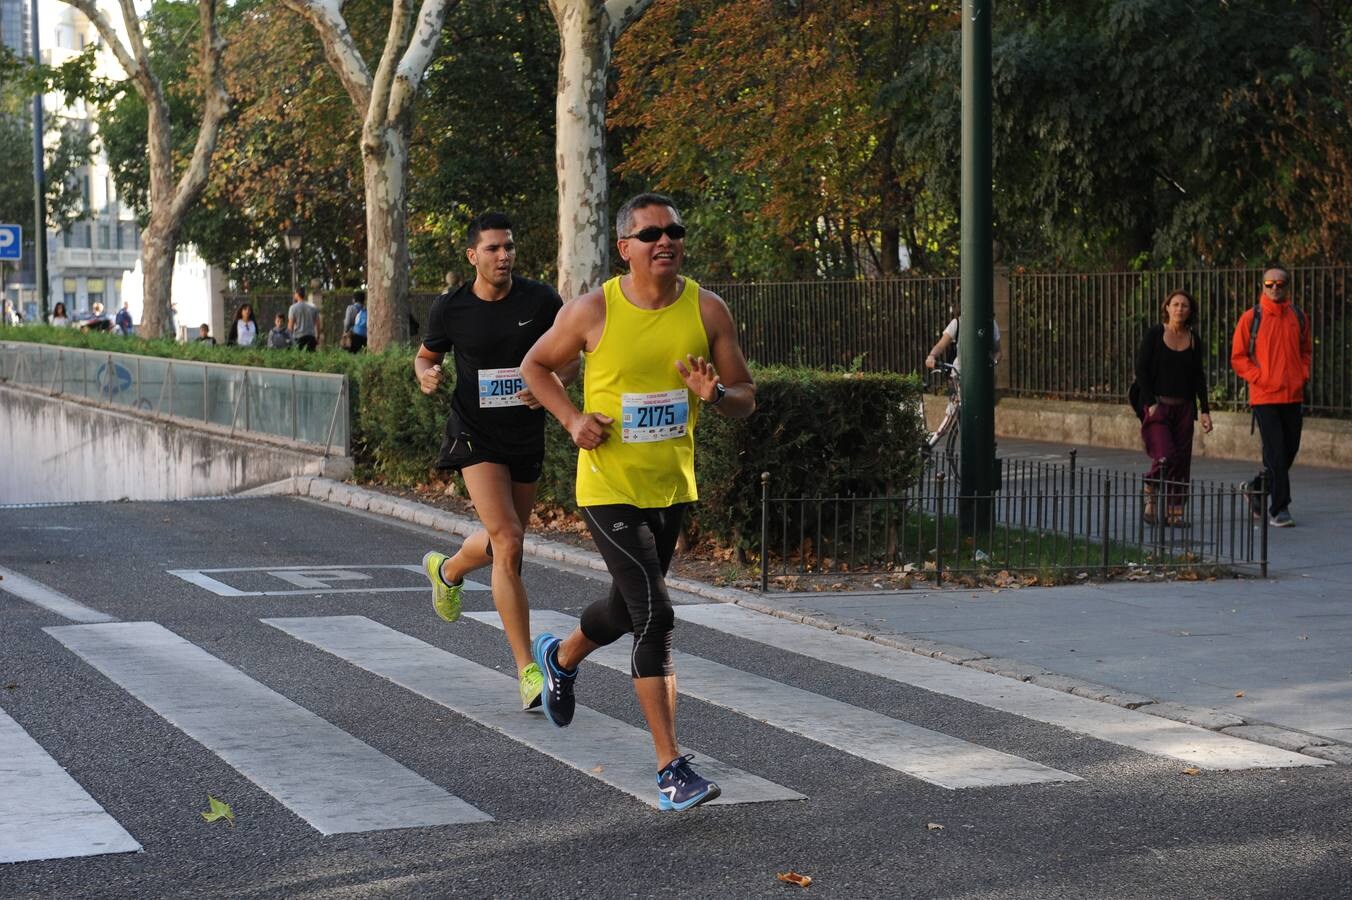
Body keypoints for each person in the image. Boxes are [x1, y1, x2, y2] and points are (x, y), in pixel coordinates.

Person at [520, 192, 756, 812]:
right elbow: (535, 366)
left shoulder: (708, 309)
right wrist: (572, 420)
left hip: (670, 488)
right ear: (625, 247)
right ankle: (670, 769)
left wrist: (715, 395)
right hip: (608, 486)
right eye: (651, 234)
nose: (666, 242)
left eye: (674, 231)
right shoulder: (593, 311)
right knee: (656, 613)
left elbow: (745, 397)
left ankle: (562, 655)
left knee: (628, 609)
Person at [414, 212, 574, 712]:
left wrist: (553, 384)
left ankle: (448, 571)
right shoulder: (452, 307)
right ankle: (529, 670)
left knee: (510, 541)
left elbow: (571, 355)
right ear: (472, 257)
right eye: (492, 249)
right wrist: (426, 374)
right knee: (508, 541)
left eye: (508, 247)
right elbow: (425, 356)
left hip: (524, 434)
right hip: (474, 434)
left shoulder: (542, 300)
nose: (503, 256)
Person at [1231, 265, 1312, 527]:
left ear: (1287, 286)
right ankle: (1280, 509)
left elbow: (1306, 351)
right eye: (1269, 284)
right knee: (1276, 453)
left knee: (1288, 452)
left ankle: (1256, 487)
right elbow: (1239, 357)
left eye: (1280, 283)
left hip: (1293, 395)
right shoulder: (1250, 318)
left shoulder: (1298, 316)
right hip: (1265, 397)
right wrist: (1261, 378)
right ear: (1262, 286)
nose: (1275, 287)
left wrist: (1303, 374)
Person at [1133, 289, 1213, 527]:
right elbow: (1141, 370)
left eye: (1184, 306)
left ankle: (1174, 512)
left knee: (1181, 461)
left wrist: (1205, 410)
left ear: (1190, 312)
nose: (1179, 309)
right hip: (1159, 406)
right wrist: (1151, 403)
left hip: (1185, 408)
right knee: (1165, 454)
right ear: (1167, 308)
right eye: (1175, 304)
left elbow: (1199, 376)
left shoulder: (1193, 340)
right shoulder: (1155, 334)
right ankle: (1151, 487)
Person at [925, 303, 1001, 373]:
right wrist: (932, 356)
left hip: (984, 372)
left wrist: (994, 361)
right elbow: (940, 346)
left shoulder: (991, 323)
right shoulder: (958, 322)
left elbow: (998, 351)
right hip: (960, 371)